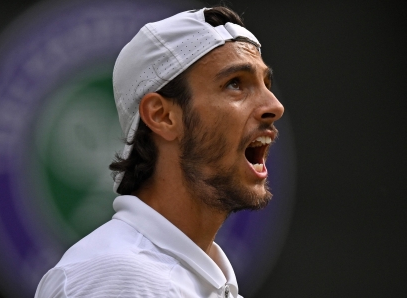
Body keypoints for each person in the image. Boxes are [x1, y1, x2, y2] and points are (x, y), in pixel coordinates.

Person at [35, 6, 284, 298]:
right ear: (162, 116)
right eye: (235, 84)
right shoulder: (116, 279)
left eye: (266, 84)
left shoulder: (182, 281)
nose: (274, 106)